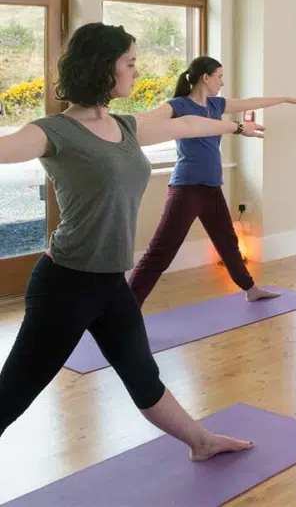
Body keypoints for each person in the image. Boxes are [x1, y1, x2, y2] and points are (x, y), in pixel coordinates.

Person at [0, 23, 256, 460]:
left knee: (142, 373)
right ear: (104, 67)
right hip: (66, 285)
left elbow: (187, 123)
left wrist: (234, 127)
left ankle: (201, 442)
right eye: (130, 62)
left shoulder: (126, 126)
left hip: (109, 284)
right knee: (13, 393)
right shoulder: (52, 131)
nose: (137, 72)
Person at [129, 56, 296, 306]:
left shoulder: (215, 105)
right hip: (187, 188)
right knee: (161, 251)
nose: (222, 82)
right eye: (220, 77)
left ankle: (250, 288)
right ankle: (127, 307)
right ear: (206, 77)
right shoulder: (178, 106)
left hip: (212, 188)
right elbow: (150, 117)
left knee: (228, 242)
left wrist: (284, 99)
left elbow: (252, 102)